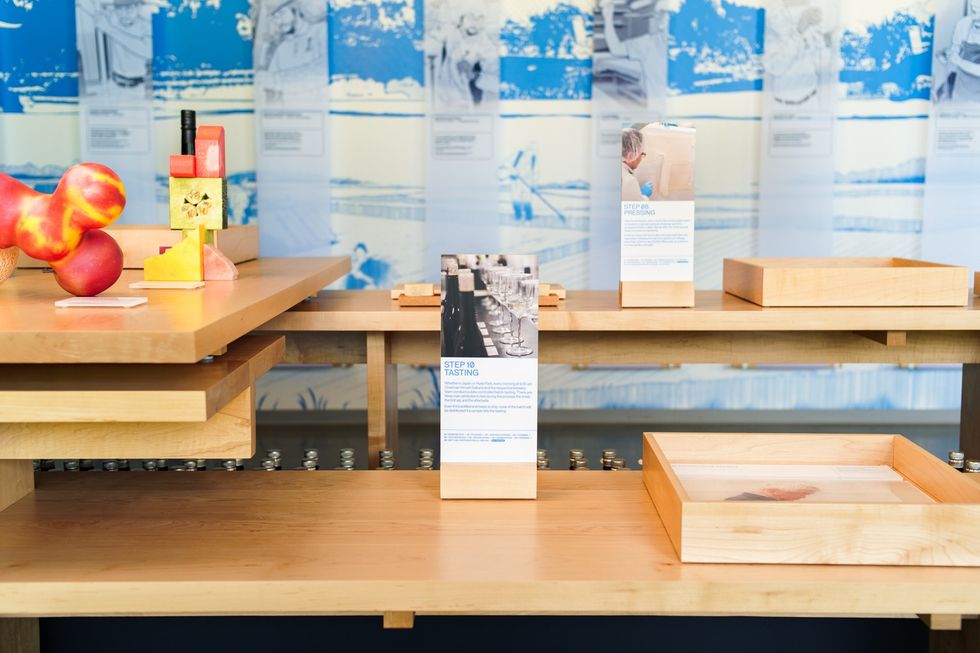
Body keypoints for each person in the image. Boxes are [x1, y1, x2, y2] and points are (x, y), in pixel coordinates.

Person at [599, 0, 669, 107]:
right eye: (659, 16)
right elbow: (616, 48)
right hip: (659, 114)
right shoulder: (649, 43)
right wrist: (608, 17)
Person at [941, 0, 980, 102]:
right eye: (974, 11)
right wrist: (949, 56)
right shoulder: (963, 25)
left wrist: (959, 62)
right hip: (960, 91)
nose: (975, 17)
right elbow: (956, 50)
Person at [621, 128, 653, 201]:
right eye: (641, 154)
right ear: (631, 155)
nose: (641, 159)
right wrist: (643, 196)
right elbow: (636, 209)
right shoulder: (628, 182)